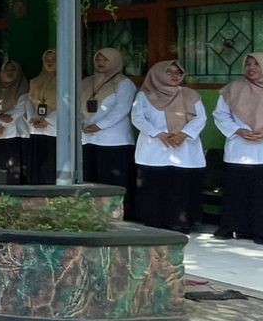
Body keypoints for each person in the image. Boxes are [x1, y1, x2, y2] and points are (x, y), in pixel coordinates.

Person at [214, 52, 263, 243]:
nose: (251, 68)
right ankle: (237, 228)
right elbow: (221, 114)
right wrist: (237, 130)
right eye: (248, 64)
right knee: (239, 191)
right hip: (240, 147)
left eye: (257, 64)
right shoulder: (233, 89)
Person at [132, 60, 207, 232]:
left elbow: (200, 118)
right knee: (155, 185)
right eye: (169, 72)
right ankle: (154, 221)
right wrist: (159, 134)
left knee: (180, 185)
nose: (175, 76)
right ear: (158, 73)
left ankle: (180, 222)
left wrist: (183, 134)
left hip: (184, 146)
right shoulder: (145, 95)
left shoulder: (190, 95)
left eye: (178, 73)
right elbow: (138, 118)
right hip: (155, 146)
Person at [81, 48, 138, 215]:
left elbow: (122, 109)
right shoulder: (86, 82)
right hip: (88, 137)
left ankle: (115, 213)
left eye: (105, 60)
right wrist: (82, 124)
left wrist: (100, 125)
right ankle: (91, 212)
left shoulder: (123, 83)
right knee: (90, 177)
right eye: (98, 59)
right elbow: (76, 105)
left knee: (112, 178)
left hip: (115, 140)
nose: (100, 63)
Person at [0, 60, 32, 184]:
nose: (10, 72)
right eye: (6, 70)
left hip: (17, 133)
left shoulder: (24, 87)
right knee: (1, 170)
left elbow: (19, 109)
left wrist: (3, 124)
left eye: (13, 70)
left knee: (16, 170)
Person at [27, 50, 60, 185]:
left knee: (50, 165)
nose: (49, 62)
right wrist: (32, 119)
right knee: (36, 166)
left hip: (55, 130)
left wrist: (48, 120)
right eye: (46, 59)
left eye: (53, 59)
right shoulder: (35, 81)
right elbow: (29, 101)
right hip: (35, 128)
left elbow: (67, 103)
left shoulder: (66, 81)